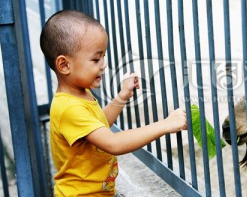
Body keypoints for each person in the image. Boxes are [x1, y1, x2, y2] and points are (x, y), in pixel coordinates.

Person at [40, 10, 188, 196]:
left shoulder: (79, 94)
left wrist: (122, 97)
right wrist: (166, 124)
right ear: (64, 65)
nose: (103, 64)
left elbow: (100, 125)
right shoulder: (69, 108)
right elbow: (113, 143)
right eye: (95, 59)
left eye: (103, 56)